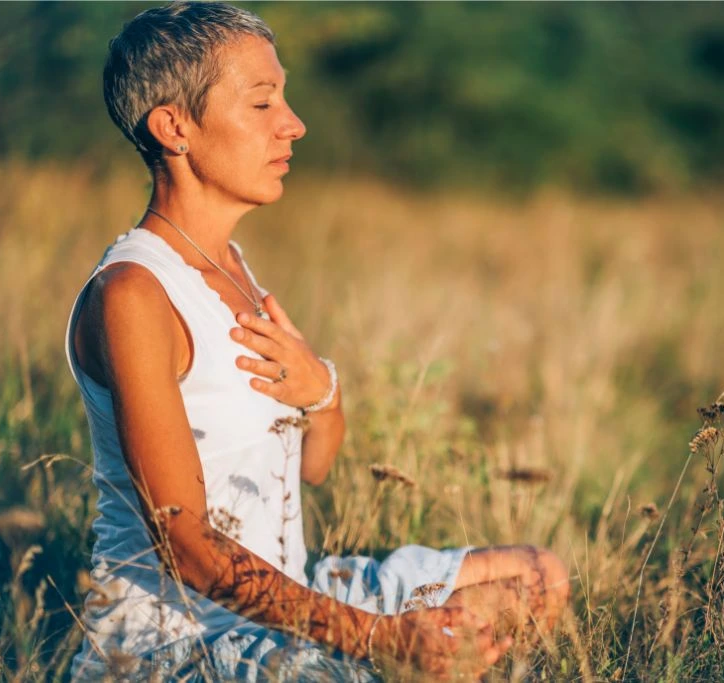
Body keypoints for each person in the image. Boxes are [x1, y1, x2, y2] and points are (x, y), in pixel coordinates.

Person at [63, 2, 570, 680]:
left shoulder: (232, 265)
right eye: (263, 101)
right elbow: (186, 546)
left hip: (286, 594)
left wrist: (323, 393)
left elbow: (316, 464)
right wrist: (380, 637)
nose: (293, 123)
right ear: (174, 126)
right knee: (396, 662)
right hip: (175, 644)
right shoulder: (133, 293)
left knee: (538, 576)